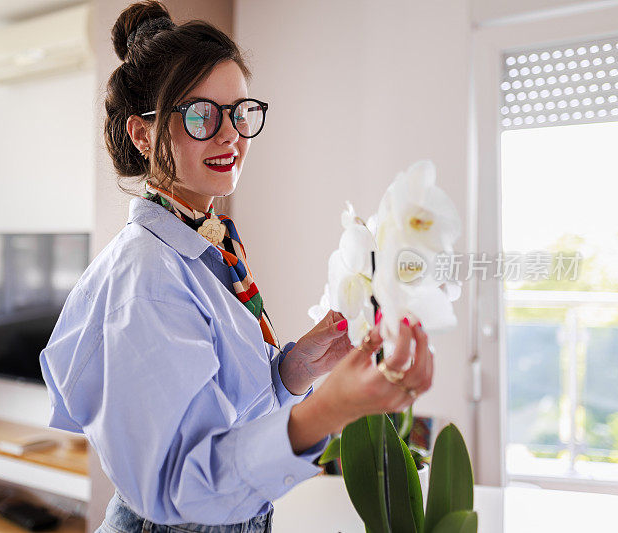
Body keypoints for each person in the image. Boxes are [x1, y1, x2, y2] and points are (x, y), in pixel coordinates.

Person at [39, 2, 434, 532]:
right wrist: (327, 410)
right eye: (200, 114)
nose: (230, 135)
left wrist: (295, 373)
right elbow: (178, 486)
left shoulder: (206, 246)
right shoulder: (149, 277)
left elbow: (217, 414)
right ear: (141, 135)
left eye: (239, 112)